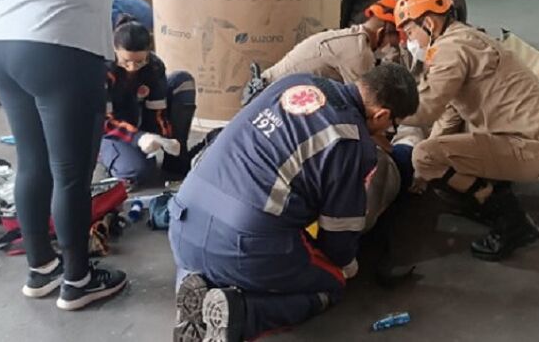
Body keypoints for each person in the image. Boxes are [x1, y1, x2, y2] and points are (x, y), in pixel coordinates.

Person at [170, 63, 419, 342]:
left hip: (183, 222)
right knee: (333, 282)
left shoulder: (296, 83)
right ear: (382, 114)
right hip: (242, 243)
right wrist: (347, 265)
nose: (390, 129)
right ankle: (242, 314)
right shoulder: (351, 140)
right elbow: (338, 237)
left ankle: (194, 285)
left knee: (220, 252)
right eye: (393, 124)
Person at [0, 0, 126, 311]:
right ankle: (78, 281)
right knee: (71, 174)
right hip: (62, 41)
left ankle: (41, 268)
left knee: (32, 163)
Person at [394, 0, 539, 262]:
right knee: (436, 153)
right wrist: (429, 159)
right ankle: (482, 195)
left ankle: (512, 223)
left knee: (424, 157)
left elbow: (425, 108)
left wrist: (383, 112)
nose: (408, 40)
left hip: (535, 148)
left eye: (409, 30)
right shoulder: (464, 38)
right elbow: (450, 112)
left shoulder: (449, 51)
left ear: (427, 22)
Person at [242, 0, 402, 106]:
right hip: (271, 100)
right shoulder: (359, 52)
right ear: (382, 32)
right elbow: (365, 106)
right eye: (394, 44)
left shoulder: (352, 39)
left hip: (270, 94)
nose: (393, 50)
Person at [100, 15, 196, 185]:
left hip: (139, 118)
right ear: (114, 49)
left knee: (183, 81)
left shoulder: (153, 66)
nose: (131, 68)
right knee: (138, 171)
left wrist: (166, 138)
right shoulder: (103, 69)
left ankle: (176, 159)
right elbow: (105, 121)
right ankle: (106, 157)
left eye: (139, 62)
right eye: (126, 61)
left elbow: (157, 110)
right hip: (110, 131)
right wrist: (139, 138)